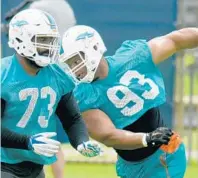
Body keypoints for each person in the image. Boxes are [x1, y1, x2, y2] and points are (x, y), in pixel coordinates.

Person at [60, 25, 198, 178]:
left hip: (162, 155)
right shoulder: (83, 94)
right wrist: (147, 138)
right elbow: (108, 135)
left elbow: (175, 40)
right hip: (129, 165)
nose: (74, 68)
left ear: (93, 48)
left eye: (76, 60)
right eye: (70, 64)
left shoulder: (133, 57)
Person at [1, 11, 102, 178]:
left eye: (51, 40)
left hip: (35, 166)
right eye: (42, 40)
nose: (49, 47)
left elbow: (72, 118)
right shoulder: (4, 75)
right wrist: (28, 142)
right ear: (20, 39)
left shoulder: (57, 75)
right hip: (4, 164)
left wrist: (81, 142)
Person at [29, 1, 77, 177]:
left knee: (42, 140)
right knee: (50, 141)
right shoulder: (64, 8)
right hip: (59, 84)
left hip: (44, 85)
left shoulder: (39, 8)